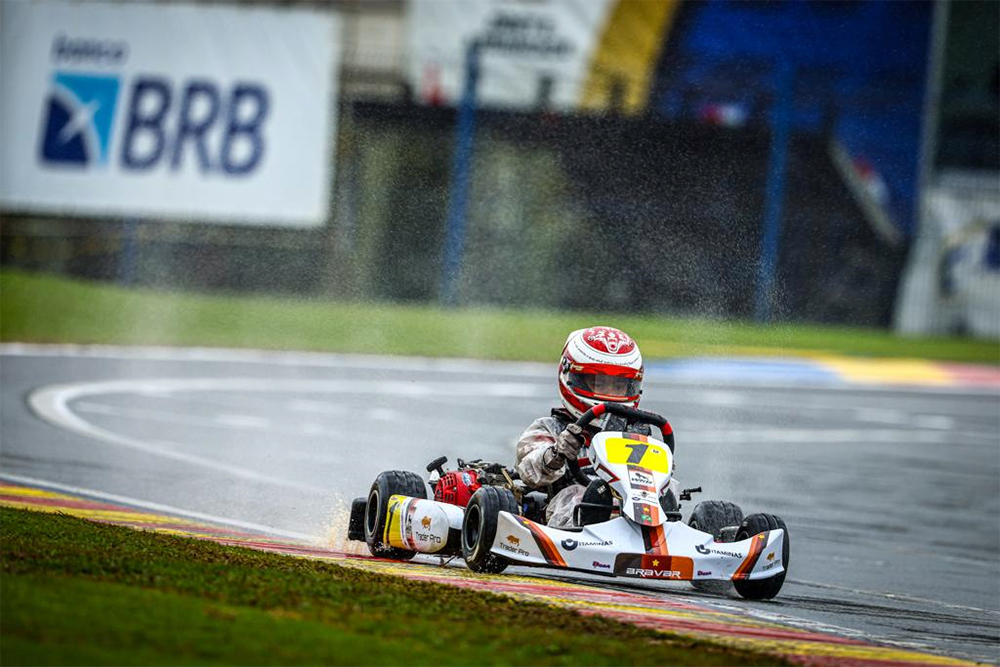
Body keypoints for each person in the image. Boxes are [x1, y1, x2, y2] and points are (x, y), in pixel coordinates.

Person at [515, 326, 659, 528]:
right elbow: (529, 471)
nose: (609, 393)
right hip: (572, 507)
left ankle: (665, 534)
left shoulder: (637, 432)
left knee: (668, 499)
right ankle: (590, 535)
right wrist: (556, 454)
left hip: (634, 506)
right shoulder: (551, 428)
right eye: (600, 383)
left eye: (618, 386)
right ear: (572, 376)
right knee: (579, 498)